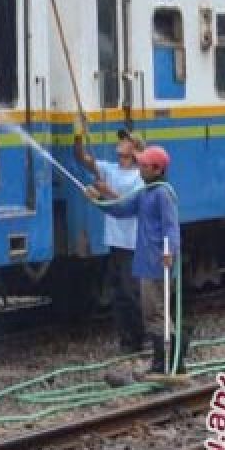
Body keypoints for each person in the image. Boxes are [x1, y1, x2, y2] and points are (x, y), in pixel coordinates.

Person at [88, 145, 184, 375]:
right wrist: (98, 199)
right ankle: (168, 362)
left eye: (143, 165)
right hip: (145, 262)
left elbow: (171, 227)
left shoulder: (162, 193)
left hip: (157, 263)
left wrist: (169, 252)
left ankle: (166, 364)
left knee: (156, 312)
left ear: (156, 169)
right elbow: (121, 210)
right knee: (152, 312)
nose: (139, 168)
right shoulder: (145, 193)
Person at [73, 127, 145, 353]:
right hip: (115, 242)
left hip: (133, 243)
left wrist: (106, 192)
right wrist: (78, 136)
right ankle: (126, 341)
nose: (121, 142)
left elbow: (129, 204)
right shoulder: (109, 169)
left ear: (135, 150)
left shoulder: (139, 177)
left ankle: (138, 339)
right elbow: (82, 159)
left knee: (130, 292)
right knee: (118, 293)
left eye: (126, 141)